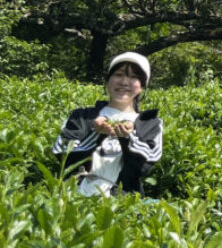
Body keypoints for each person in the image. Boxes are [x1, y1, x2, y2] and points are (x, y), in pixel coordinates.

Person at [52, 52, 163, 196]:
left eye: (134, 77)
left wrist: (127, 138)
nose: (124, 82)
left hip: (121, 201)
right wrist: (95, 133)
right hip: (74, 195)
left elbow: (145, 165)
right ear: (108, 80)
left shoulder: (150, 123)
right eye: (118, 74)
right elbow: (61, 151)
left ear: (142, 86)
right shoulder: (82, 116)